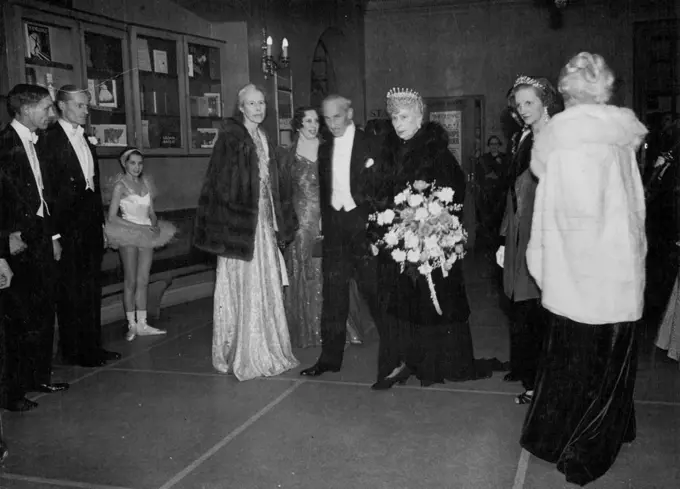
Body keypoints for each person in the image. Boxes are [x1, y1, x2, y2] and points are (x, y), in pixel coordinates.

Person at [521, 52, 647, 486]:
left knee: (571, 361)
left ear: (567, 92)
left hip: (577, 274)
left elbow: (556, 216)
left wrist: (542, 265)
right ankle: (612, 429)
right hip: (620, 273)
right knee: (610, 364)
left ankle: (563, 441)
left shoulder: (563, 141)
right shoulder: (621, 138)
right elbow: (637, 210)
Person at [369, 87, 506, 390]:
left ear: (419, 117)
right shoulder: (389, 150)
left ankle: (435, 363)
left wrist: (430, 217)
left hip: (430, 242)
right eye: (394, 118)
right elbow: (379, 192)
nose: (398, 124)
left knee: (431, 302)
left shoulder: (435, 149)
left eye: (404, 117)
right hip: (399, 241)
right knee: (402, 304)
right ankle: (405, 362)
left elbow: (454, 189)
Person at [193, 83, 299, 381]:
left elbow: (273, 184)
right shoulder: (231, 137)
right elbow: (219, 182)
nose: (258, 108)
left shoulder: (264, 136)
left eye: (262, 103)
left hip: (263, 224)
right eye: (252, 104)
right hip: (240, 228)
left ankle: (267, 347)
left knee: (265, 283)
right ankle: (244, 351)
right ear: (241, 107)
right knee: (245, 286)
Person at [299, 95, 381, 377]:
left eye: (337, 116)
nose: (331, 124)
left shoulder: (371, 144)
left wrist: (374, 230)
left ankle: (398, 356)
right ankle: (329, 359)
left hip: (363, 231)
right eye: (327, 118)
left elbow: (381, 191)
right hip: (335, 231)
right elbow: (325, 192)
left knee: (376, 293)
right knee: (333, 297)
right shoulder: (324, 150)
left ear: (350, 114)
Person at [40, 85, 120, 367]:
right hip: (66, 226)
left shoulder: (85, 137)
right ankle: (75, 350)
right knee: (71, 291)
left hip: (88, 225)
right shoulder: (49, 139)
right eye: (80, 106)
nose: (86, 111)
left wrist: (100, 225)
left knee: (91, 287)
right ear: (62, 106)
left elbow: (93, 187)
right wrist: (55, 234)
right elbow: (47, 190)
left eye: (87, 106)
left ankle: (93, 346)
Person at [0, 83, 69, 412]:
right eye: (45, 107)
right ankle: (12, 392)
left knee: (42, 309)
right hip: (18, 241)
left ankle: (37, 376)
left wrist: (52, 237)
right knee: (19, 317)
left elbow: (43, 193)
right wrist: (8, 236)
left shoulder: (37, 141)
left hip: (39, 235)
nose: (50, 113)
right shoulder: (4, 144)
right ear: (25, 110)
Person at [280, 107, 373, 347]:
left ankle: (340, 329)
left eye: (315, 121)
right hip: (301, 221)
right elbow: (283, 191)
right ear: (298, 124)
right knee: (304, 269)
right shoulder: (287, 155)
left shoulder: (329, 150)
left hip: (329, 216)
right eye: (307, 120)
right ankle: (308, 329)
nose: (312, 125)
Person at [496, 75, 562, 404]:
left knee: (542, 312)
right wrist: (503, 238)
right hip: (520, 234)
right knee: (524, 308)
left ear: (545, 101)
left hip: (547, 235)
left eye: (529, 103)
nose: (523, 110)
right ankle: (530, 375)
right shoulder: (524, 137)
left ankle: (543, 386)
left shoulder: (556, 137)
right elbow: (513, 192)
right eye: (519, 104)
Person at [105, 148, 176, 340]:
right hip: (127, 233)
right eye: (132, 163)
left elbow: (151, 211)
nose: (136, 167)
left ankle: (143, 323)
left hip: (146, 234)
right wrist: (137, 227)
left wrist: (154, 225)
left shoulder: (146, 183)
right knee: (131, 280)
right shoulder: (120, 186)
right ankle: (132, 324)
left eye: (139, 163)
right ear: (124, 164)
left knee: (144, 280)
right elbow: (112, 217)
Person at [475, 135, 508, 249]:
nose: (494, 147)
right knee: (487, 219)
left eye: (496, 144)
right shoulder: (483, 159)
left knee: (499, 219)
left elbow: (506, 175)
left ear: (499, 145)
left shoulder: (505, 158)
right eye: (492, 144)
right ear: (488, 146)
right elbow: (480, 176)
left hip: (500, 195)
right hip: (487, 194)